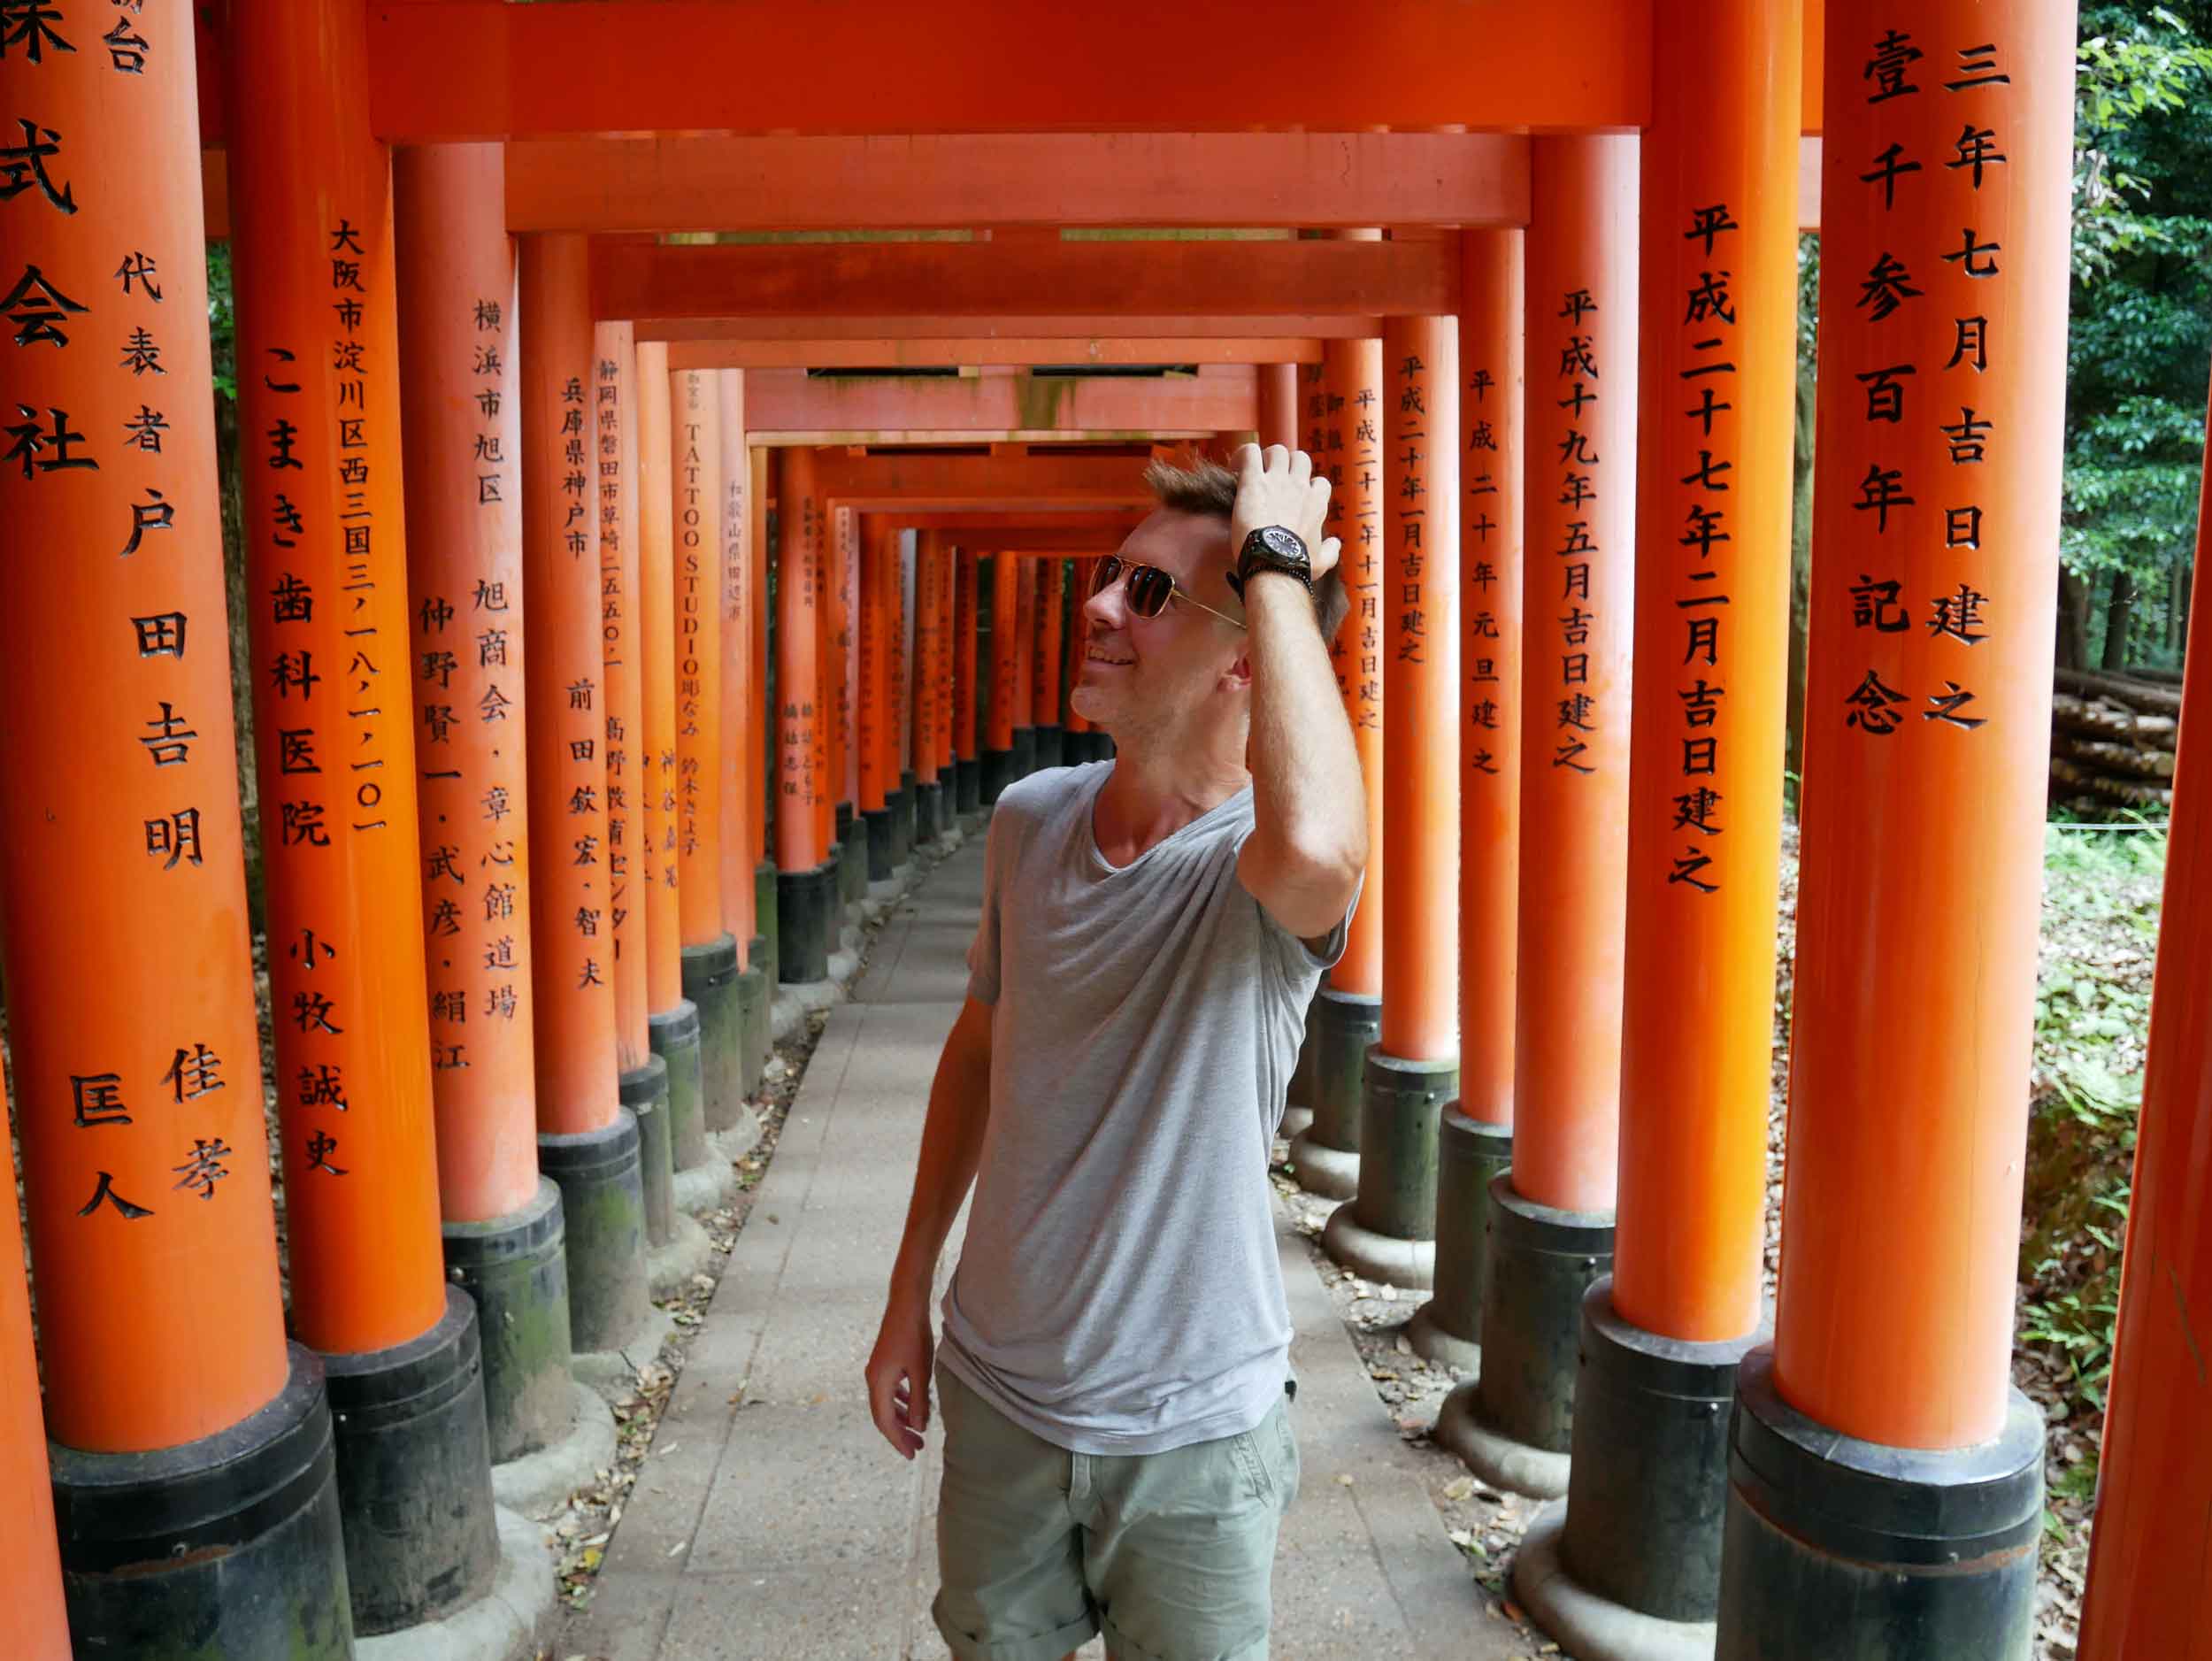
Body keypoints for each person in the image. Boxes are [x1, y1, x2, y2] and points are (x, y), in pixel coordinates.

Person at [864, 442, 1365, 1661]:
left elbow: (1321, 843)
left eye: (1148, 594)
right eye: (1110, 575)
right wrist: (904, 1295)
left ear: (1244, 656)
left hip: (1194, 1433)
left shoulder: (1257, 874)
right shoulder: (1028, 821)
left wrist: (1276, 566)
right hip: (999, 1398)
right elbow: (982, 1048)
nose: (1097, 606)